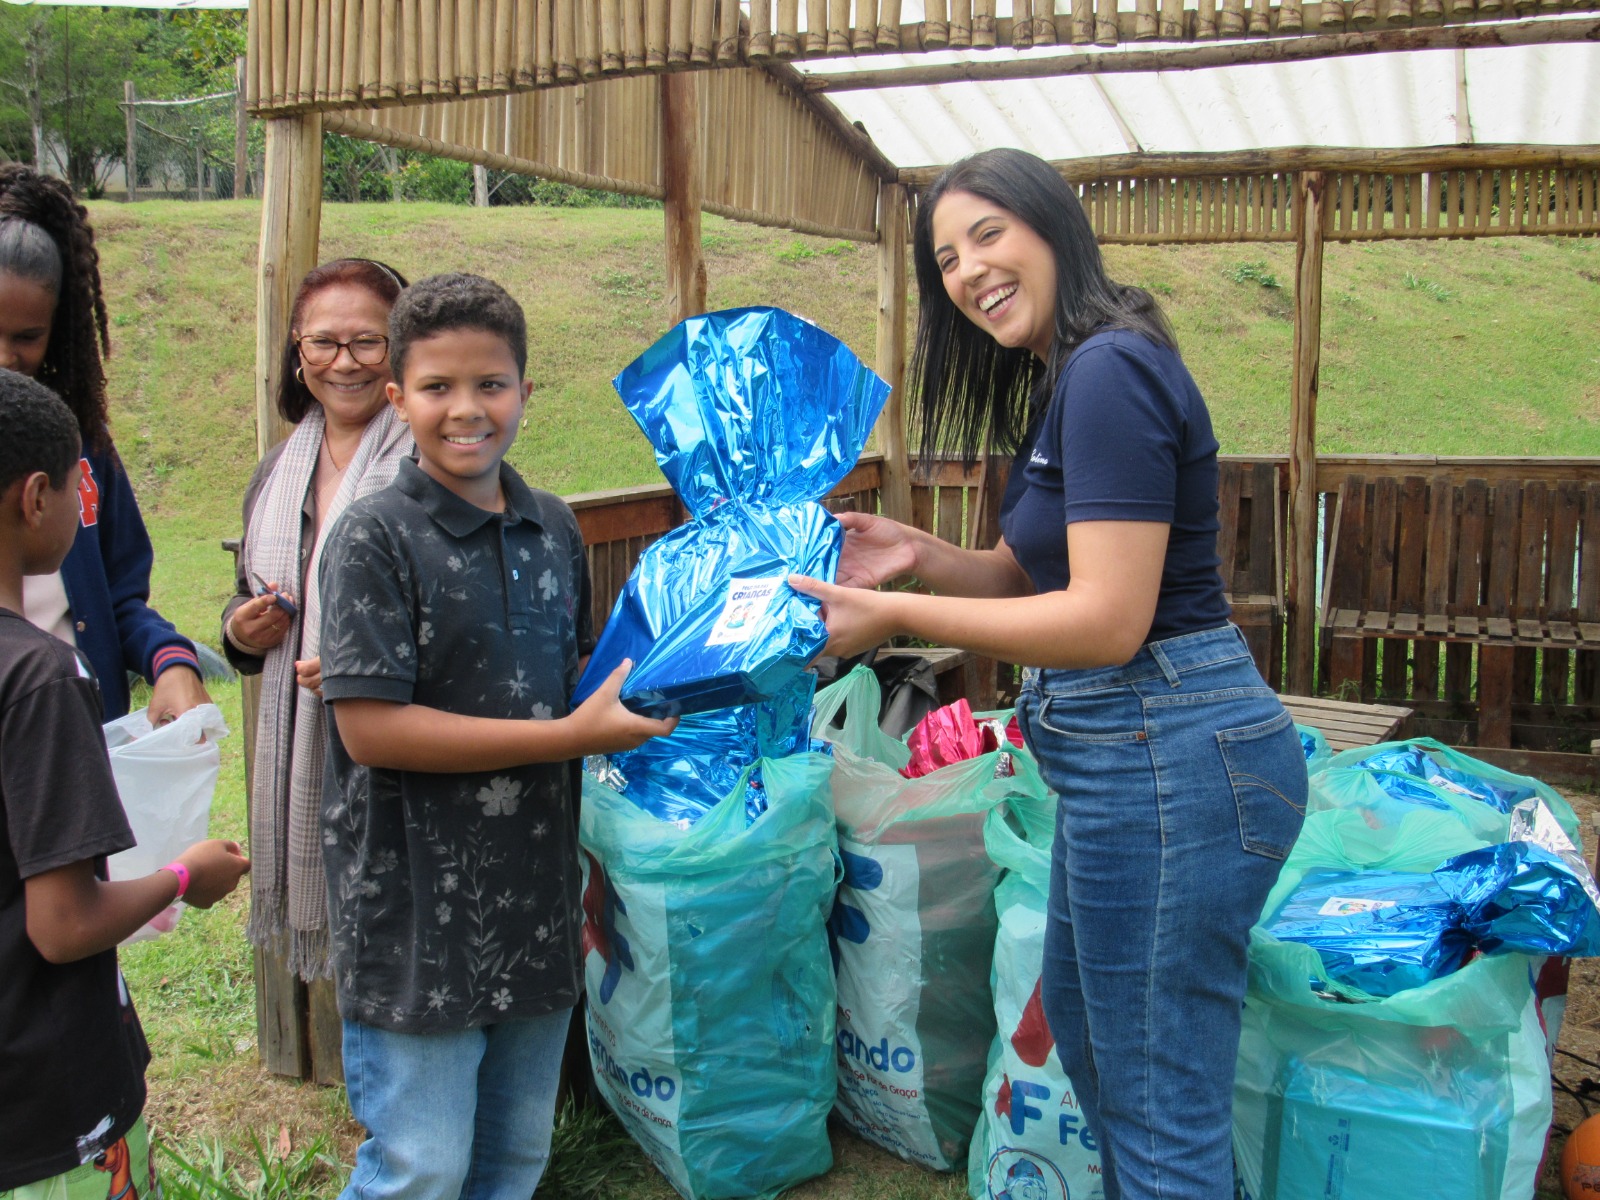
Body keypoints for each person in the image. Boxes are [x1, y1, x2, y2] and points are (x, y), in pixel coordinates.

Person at [790, 148, 1307, 1200]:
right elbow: (1024, 579)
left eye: (988, 234)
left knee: (1156, 1102)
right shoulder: (1069, 376)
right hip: (1128, 751)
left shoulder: (1109, 370)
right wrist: (916, 553)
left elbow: (1107, 621)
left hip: (1164, 746)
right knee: (1105, 1055)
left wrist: (888, 613)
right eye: (945, 256)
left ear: (1051, 226)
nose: (968, 269)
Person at [318, 272, 677, 1200]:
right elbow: (370, 730)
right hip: (416, 910)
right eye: (437, 387)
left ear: (525, 390)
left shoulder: (553, 526)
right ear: (397, 398)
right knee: (422, 1166)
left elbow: (585, 680)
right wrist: (568, 736)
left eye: (491, 384)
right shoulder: (373, 537)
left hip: (535, 899)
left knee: (515, 1158)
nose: (466, 409)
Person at [0, 368, 249, 1198]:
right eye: (81, 491)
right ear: (38, 497)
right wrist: (185, 876)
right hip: (46, 1100)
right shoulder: (40, 677)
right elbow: (64, 926)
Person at [221, 257, 412, 978]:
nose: (345, 363)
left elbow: (467, 610)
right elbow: (241, 588)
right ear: (297, 352)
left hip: (393, 741)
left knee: (392, 914)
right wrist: (242, 629)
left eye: (368, 342)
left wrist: (372, 659)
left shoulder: (428, 459)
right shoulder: (278, 468)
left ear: (400, 347)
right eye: (323, 343)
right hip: (300, 734)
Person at [0, 163, 208, 723]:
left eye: (27, 337)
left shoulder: (81, 450)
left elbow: (119, 599)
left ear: (60, 326)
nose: (5, 357)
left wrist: (170, 660)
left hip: (80, 740)